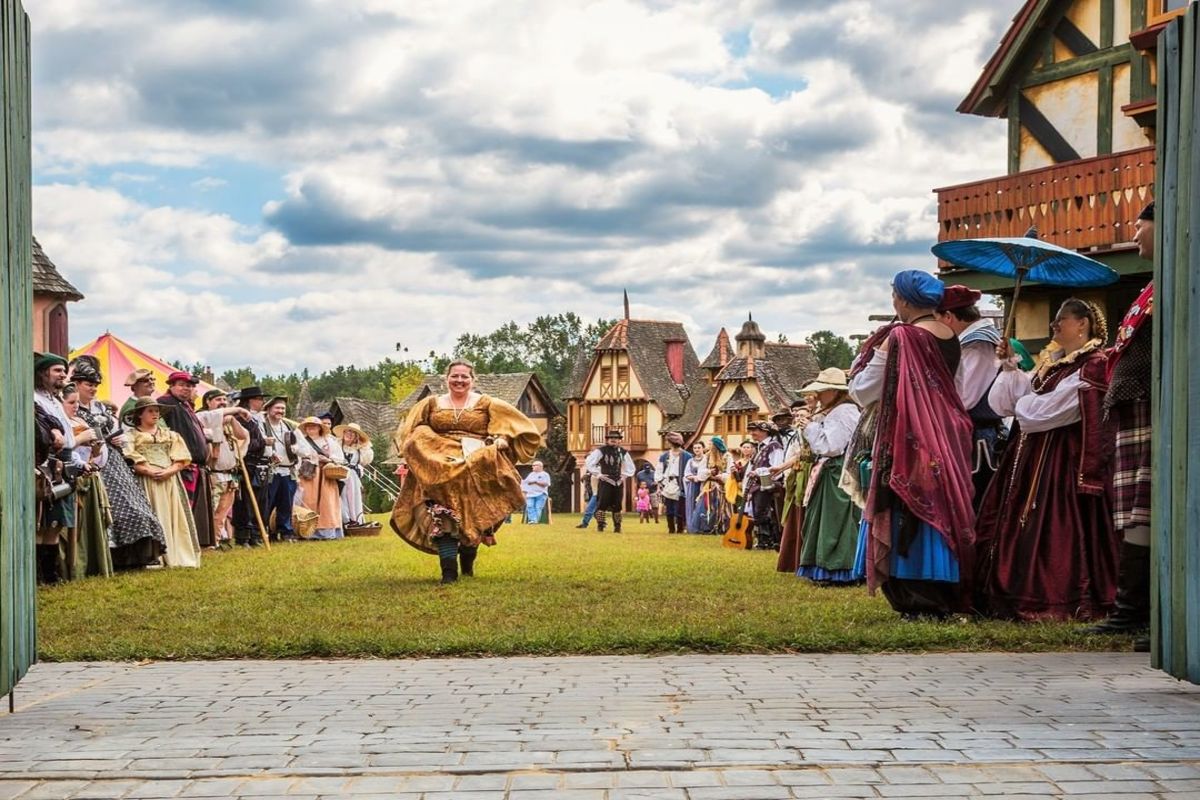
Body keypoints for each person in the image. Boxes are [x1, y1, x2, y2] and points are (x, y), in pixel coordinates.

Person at [976, 299, 1117, 621]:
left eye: (1061, 320)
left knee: (1059, 527)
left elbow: (1050, 412)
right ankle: (1013, 593)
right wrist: (1011, 366)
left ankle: (1063, 599)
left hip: (1065, 463)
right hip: (1036, 457)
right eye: (1054, 321)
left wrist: (1025, 402)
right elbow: (1007, 404)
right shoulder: (1057, 363)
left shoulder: (1093, 363)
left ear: (1083, 324)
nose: (1055, 327)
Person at [848, 270, 975, 618]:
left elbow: (864, 391)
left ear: (903, 299)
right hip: (948, 435)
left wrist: (865, 365)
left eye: (894, 296)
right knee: (943, 508)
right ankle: (943, 590)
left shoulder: (900, 337)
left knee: (904, 506)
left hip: (907, 435)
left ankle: (914, 596)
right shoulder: (951, 335)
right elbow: (958, 389)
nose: (893, 302)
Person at [391, 360, 541, 583]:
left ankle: (468, 564)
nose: (459, 380)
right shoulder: (431, 403)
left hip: (475, 465)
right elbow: (410, 432)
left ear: (473, 379)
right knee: (442, 518)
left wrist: (501, 439)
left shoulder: (487, 403)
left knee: (474, 517)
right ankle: (449, 573)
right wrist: (422, 450)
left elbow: (516, 427)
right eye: (455, 376)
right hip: (438, 469)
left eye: (464, 376)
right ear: (446, 378)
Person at [1089, 202, 1155, 641]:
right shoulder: (1153, 285)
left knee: (1153, 511)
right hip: (1138, 409)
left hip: (1157, 405)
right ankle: (1130, 610)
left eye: (1140, 224)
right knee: (1139, 514)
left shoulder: (1178, 279)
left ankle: (1147, 612)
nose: (1134, 232)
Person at [69, 356, 165, 570]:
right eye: (88, 384)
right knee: (114, 508)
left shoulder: (100, 408)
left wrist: (116, 438)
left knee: (136, 504)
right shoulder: (74, 409)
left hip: (113, 459)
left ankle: (139, 554)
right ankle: (116, 556)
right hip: (92, 460)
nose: (93, 389)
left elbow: (114, 429)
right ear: (76, 384)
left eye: (95, 385)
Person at [937, 285, 1004, 507]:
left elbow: (964, 397)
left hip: (980, 440)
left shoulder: (978, 343)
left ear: (948, 317)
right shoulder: (973, 341)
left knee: (977, 507)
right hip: (974, 435)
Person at [795, 369, 862, 585]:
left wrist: (811, 427)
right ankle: (825, 566)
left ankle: (840, 568)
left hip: (838, 471)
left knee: (836, 519)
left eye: (822, 391)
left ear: (834, 392)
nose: (818, 396)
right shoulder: (836, 411)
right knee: (825, 518)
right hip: (831, 470)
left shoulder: (845, 412)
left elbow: (831, 446)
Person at [123, 397, 202, 568]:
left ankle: (176, 553)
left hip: (169, 480)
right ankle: (153, 556)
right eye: (150, 411)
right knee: (154, 513)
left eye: (157, 411)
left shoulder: (170, 435)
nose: (155, 414)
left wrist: (169, 471)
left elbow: (181, 458)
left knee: (173, 514)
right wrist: (148, 470)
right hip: (145, 482)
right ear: (140, 415)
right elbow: (130, 458)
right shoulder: (132, 436)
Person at [157, 371, 216, 549]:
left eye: (190, 386)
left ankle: (187, 543)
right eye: (182, 385)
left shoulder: (185, 406)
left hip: (195, 465)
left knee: (190, 508)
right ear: (171, 385)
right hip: (180, 465)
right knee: (180, 508)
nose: (186, 389)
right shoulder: (165, 403)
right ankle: (176, 545)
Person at [34, 353, 79, 584]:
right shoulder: (35, 398)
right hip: (51, 463)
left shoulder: (54, 399)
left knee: (58, 522)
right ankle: (44, 576)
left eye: (63, 370)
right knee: (45, 521)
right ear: (43, 374)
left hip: (66, 461)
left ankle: (50, 575)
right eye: (56, 371)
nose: (63, 374)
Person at [60, 382, 113, 579]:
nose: (75, 406)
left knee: (89, 526)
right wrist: (81, 439)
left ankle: (92, 565)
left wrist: (96, 450)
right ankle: (70, 569)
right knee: (73, 528)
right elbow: (65, 450)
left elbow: (92, 455)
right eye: (70, 402)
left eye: (76, 402)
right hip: (72, 477)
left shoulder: (79, 421)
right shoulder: (62, 423)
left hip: (89, 477)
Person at [197, 389, 251, 548]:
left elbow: (243, 436)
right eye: (218, 399)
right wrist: (220, 421)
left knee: (222, 512)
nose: (222, 402)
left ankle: (217, 540)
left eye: (224, 400)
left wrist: (232, 420)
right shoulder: (203, 418)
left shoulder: (229, 420)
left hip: (230, 475)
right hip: (213, 473)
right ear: (208, 401)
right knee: (211, 511)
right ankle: (206, 542)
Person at [776, 396, 816, 573]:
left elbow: (808, 454)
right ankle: (792, 560)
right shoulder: (796, 435)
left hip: (810, 475)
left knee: (805, 516)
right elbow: (796, 456)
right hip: (797, 476)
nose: (799, 418)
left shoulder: (813, 430)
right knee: (794, 517)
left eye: (803, 414)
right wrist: (780, 468)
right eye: (797, 415)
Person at [294, 417, 345, 540]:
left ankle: (326, 531)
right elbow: (296, 455)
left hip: (325, 475)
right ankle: (306, 530)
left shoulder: (329, 441)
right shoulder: (301, 441)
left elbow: (340, 458)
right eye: (308, 425)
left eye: (314, 425)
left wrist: (328, 459)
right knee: (308, 501)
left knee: (327, 503)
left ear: (320, 428)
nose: (311, 427)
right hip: (308, 474)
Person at [231, 386, 270, 546]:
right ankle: (243, 535)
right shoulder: (240, 418)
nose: (262, 402)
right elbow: (241, 442)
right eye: (260, 399)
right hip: (245, 464)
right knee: (244, 502)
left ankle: (255, 534)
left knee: (259, 501)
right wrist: (263, 442)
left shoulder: (258, 419)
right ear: (250, 401)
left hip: (258, 464)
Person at [262, 396, 300, 542]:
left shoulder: (289, 427)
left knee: (286, 503)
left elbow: (303, 448)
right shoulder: (263, 425)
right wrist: (270, 454)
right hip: (271, 470)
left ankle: (286, 532)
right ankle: (268, 532)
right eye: (277, 408)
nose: (280, 411)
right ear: (269, 409)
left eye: (283, 408)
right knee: (268, 503)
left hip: (287, 470)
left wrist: (296, 449)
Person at [585, 429, 636, 533]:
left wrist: (624, 476)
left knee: (617, 505)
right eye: (611, 438)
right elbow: (589, 462)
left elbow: (630, 466)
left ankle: (617, 527)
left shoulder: (623, 452)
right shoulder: (601, 450)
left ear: (619, 440)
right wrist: (598, 474)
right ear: (607, 440)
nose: (613, 440)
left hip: (618, 482)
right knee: (602, 504)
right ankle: (600, 526)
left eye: (616, 438)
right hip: (605, 481)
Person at [743, 421, 784, 549]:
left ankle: (770, 540)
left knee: (767, 512)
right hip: (758, 485)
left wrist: (759, 473)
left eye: (755, 430)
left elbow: (777, 468)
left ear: (764, 431)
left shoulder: (774, 446)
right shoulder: (760, 447)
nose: (752, 433)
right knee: (758, 512)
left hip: (768, 484)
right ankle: (762, 539)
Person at [689, 437, 732, 534]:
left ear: (716, 445)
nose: (709, 446)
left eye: (710, 444)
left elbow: (730, 472)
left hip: (722, 486)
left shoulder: (727, 456)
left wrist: (721, 476)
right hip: (709, 486)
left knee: (721, 507)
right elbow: (700, 472)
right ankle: (706, 527)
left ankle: (721, 527)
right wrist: (709, 472)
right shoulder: (707, 456)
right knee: (706, 506)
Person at [335, 422, 375, 528]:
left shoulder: (359, 449)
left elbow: (367, 460)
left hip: (353, 477)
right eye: (348, 431)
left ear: (356, 436)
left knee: (354, 499)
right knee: (340, 499)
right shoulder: (337, 444)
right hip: (338, 475)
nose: (350, 434)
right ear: (343, 433)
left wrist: (363, 445)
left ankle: (355, 521)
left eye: (353, 433)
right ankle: (343, 522)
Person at [655, 432, 693, 533]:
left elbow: (691, 470)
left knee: (679, 509)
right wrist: (660, 483)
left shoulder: (687, 456)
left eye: (668, 441)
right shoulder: (664, 456)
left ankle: (680, 529)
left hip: (680, 485)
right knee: (669, 509)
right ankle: (671, 529)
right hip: (668, 484)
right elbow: (659, 469)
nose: (667, 443)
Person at [683, 441, 706, 531]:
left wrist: (701, 477)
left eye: (699, 447)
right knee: (692, 504)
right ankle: (692, 526)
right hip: (693, 486)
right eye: (695, 448)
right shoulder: (690, 461)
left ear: (703, 448)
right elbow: (687, 474)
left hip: (704, 485)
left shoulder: (707, 459)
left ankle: (703, 526)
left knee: (703, 505)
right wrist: (694, 477)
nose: (697, 450)